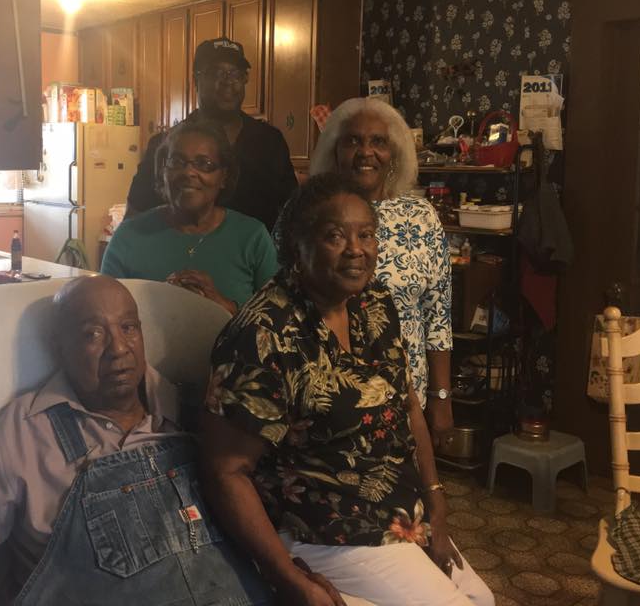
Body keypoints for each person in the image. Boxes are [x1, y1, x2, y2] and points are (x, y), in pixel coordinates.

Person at [200, 174, 493, 606]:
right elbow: (226, 471)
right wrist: (287, 577)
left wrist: (436, 502)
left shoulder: (372, 302)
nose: (356, 249)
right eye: (335, 236)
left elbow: (407, 402)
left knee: (481, 599)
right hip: (321, 528)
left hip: (395, 512)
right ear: (298, 246)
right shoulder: (264, 334)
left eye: (366, 234)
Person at [0, 276, 272, 605]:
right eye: (93, 334)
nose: (119, 349)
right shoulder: (23, 435)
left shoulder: (194, 412)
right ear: (59, 347)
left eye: (129, 328)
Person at [309, 98, 454, 444]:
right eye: (352, 141)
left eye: (378, 141)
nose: (366, 152)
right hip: (325, 399)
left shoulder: (422, 217)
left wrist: (441, 396)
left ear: (395, 153)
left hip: (407, 399)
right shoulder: (307, 213)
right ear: (334, 150)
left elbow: (438, 315)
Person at [102, 119, 278, 314]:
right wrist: (159, 301)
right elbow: (103, 314)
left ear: (224, 177)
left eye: (204, 164)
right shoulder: (128, 237)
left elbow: (280, 319)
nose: (188, 172)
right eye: (176, 162)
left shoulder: (252, 237)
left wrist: (223, 307)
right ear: (163, 172)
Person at [127, 37, 297, 232]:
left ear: (244, 79)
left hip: (255, 251)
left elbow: (292, 212)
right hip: (181, 251)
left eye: (235, 73)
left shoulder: (270, 142)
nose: (227, 81)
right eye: (216, 72)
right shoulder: (165, 145)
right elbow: (134, 218)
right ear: (196, 80)